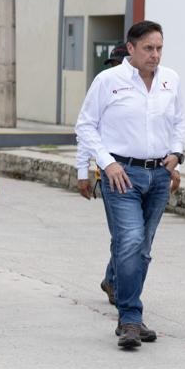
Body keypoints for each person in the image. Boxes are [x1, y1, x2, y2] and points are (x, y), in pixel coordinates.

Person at [75, 20, 185, 350]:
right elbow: (85, 125)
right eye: (149, 48)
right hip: (122, 174)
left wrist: (176, 154)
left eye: (159, 48)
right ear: (132, 48)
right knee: (131, 240)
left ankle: (120, 292)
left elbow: (178, 121)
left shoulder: (171, 79)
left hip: (159, 175)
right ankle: (130, 318)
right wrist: (104, 164)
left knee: (143, 246)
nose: (155, 55)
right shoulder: (109, 81)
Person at [76, 42, 130, 306]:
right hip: (109, 173)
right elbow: (86, 130)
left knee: (131, 236)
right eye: (115, 64)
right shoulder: (105, 85)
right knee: (123, 234)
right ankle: (116, 283)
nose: (118, 69)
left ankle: (112, 278)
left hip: (143, 172)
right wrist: (82, 172)